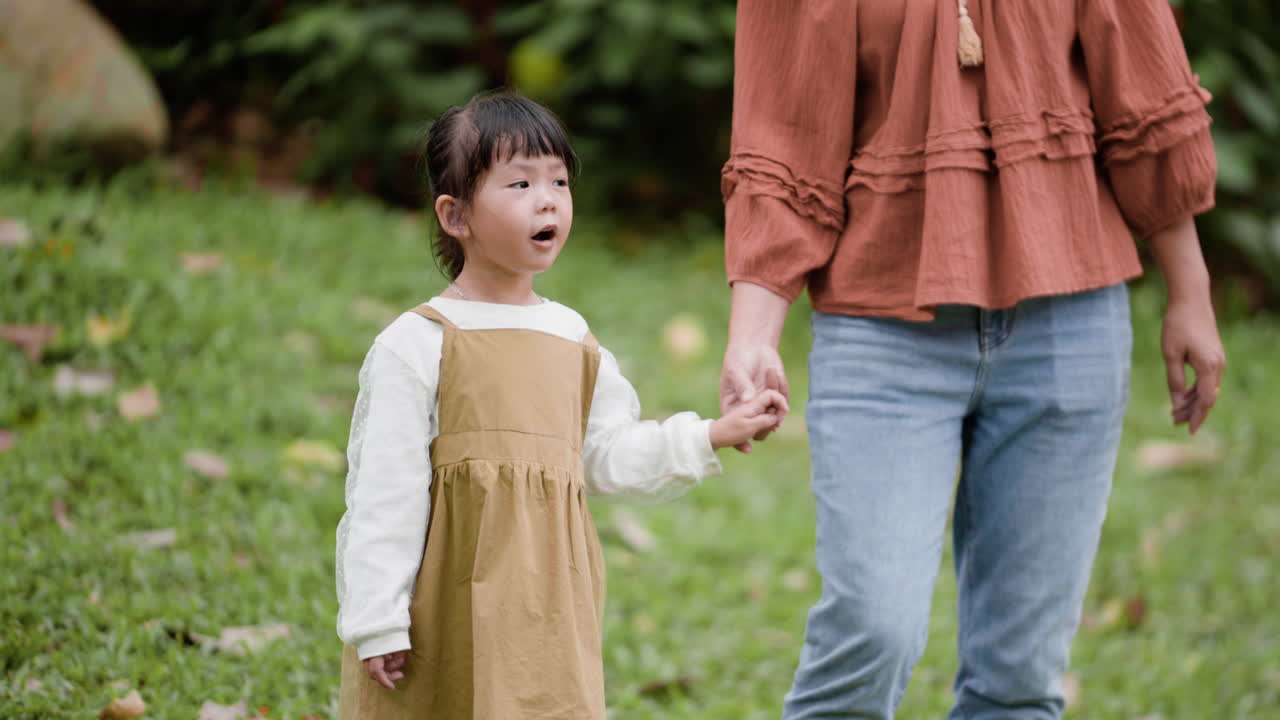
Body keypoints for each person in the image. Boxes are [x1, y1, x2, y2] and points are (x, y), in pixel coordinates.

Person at [718, 1, 1226, 718]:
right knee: (873, 628)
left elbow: (1140, 88)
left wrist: (1190, 291)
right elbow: (785, 136)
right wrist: (752, 337)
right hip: (884, 326)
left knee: (1019, 677)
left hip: (1069, 320)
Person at [334, 91, 786, 720]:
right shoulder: (418, 343)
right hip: (445, 604)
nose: (547, 198)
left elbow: (606, 454)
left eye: (559, 181)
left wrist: (709, 433)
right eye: (519, 183)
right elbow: (385, 493)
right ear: (456, 215)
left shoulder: (571, 339)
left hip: (547, 606)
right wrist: (378, 620)